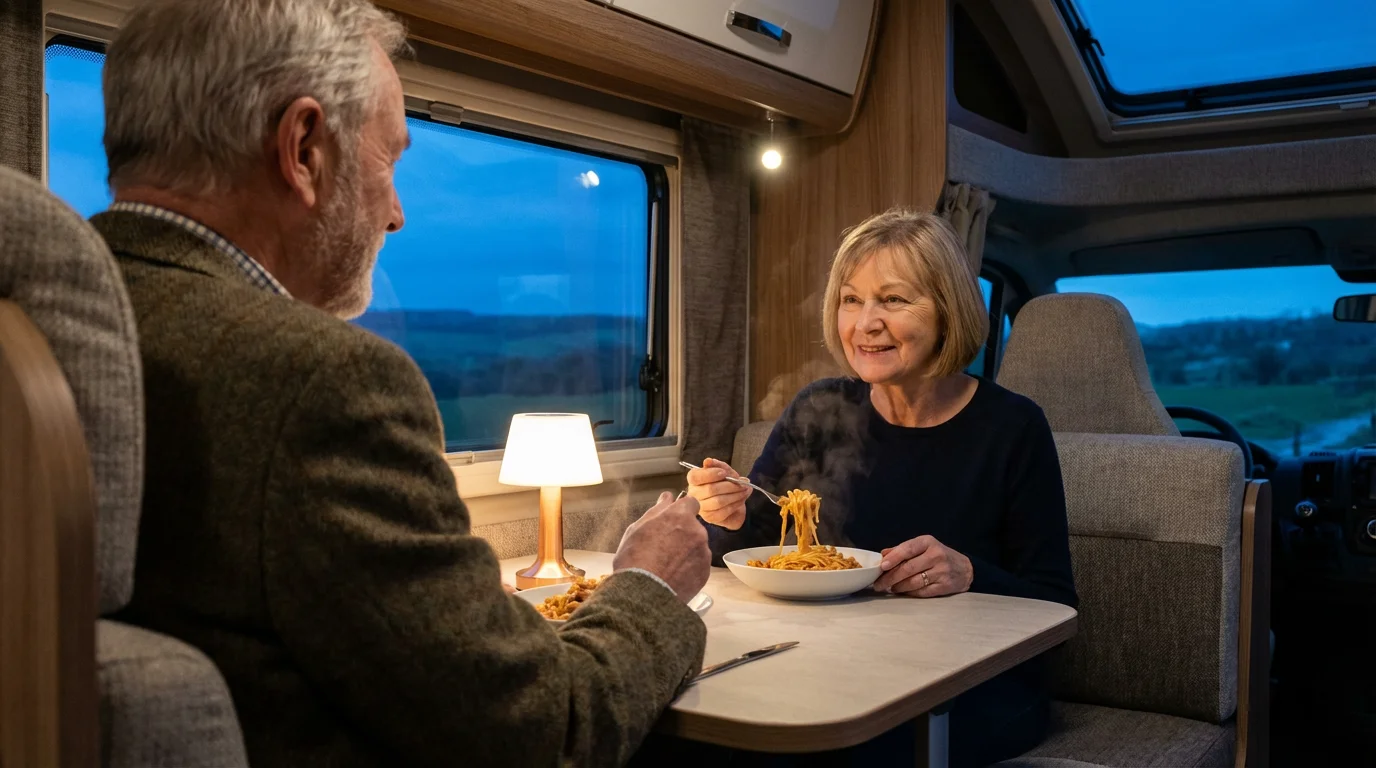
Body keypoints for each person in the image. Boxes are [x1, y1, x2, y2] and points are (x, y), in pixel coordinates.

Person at [91, 1, 711, 765]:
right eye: (389, 162)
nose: (397, 213)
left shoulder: (55, 326)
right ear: (304, 148)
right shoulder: (320, 383)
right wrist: (649, 585)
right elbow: (544, 732)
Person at [688, 208, 1077, 768]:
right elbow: (749, 548)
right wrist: (723, 517)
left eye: (893, 300)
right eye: (851, 300)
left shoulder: (1013, 427)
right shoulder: (819, 409)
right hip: (836, 665)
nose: (865, 323)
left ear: (947, 310)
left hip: (968, 687)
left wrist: (969, 574)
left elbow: (1056, 602)